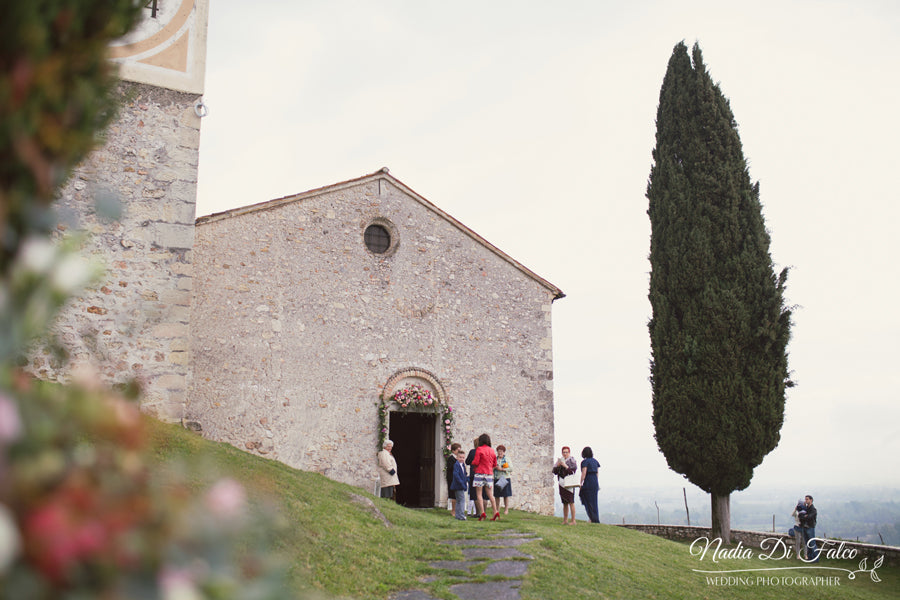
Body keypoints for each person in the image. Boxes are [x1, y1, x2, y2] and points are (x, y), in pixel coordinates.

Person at [470, 433, 500, 521]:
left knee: (479, 494)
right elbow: (495, 463)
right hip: (489, 474)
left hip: (479, 473)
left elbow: (476, 462)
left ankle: (482, 512)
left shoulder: (479, 449)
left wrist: (473, 464)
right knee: (490, 494)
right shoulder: (492, 450)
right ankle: (495, 511)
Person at [553, 446, 578, 525]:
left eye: (566, 452)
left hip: (569, 483)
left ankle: (573, 520)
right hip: (561, 482)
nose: (565, 454)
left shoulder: (572, 461)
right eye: (564, 452)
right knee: (564, 502)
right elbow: (554, 471)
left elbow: (572, 471)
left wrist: (565, 466)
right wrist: (558, 465)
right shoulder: (560, 461)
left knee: (571, 501)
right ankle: (565, 520)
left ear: (569, 452)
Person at [465, 438, 488, 515]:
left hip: (474, 474)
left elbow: (467, 462)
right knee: (484, 495)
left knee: (475, 495)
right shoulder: (485, 451)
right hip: (484, 474)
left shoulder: (473, 452)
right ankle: (484, 512)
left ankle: (478, 512)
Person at [578, 446, 600, 523]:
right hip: (594, 481)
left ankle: (592, 518)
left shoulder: (585, 462)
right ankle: (594, 517)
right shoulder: (595, 461)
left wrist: (580, 483)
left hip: (588, 481)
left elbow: (584, 473)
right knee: (594, 501)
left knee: (587, 499)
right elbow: (597, 474)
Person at [449, 448, 469, 521]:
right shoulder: (456, 465)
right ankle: (461, 515)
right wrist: (461, 482)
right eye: (460, 457)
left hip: (461, 484)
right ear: (457, 457)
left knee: (459, 500)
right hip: (458, 485)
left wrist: (466, 478)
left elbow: (464, 473)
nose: (462, 459)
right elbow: (456, 475)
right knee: (462, 500)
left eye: (463, 457)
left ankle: (458, 515)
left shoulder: (462, 465)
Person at [493, 444, 513, 515]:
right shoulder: (495, 459)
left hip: (505, 479)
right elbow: (491, 467)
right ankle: (497, 509)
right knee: (497, 495)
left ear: (504, 452)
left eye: (501, 451)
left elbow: (511, 468)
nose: (500, 453)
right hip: (497, 478)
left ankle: (506, 509)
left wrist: (502, 469)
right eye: (499, 451)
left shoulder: (507, 459)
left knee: (505, 495)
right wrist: (495, 467)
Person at [800, 494, 819, 563]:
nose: (805, 500)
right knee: (807, 543)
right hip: (804, 527)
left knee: (812, 543)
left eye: (807, 499)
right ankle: (810, 557)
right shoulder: (805, 508)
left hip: (810, 527)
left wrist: (805, 516)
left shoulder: (813, 509)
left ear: (811, 500)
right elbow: (801, 516)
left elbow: (809, 517)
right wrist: (805, 516)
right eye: (805, 499)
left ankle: (815, 558)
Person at [445, 442, 462, 512]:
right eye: (458, 450)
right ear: (453, 451)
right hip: (452, 479)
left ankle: (457, 509)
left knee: (457, 495)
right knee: (453, 495)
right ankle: (453, 510)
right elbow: (451, 468)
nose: (459, 452)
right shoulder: (451, 459)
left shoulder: (458, 459)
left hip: (457, 479)